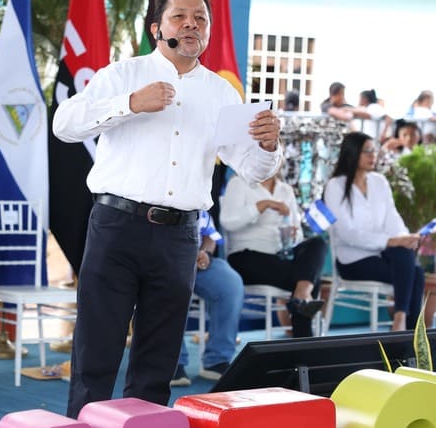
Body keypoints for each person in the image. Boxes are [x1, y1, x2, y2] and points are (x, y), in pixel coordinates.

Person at [53, 0, 282, 419]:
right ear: (157, 28)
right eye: (180, 16)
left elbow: (251, 169)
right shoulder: (123, 75)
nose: (191, 24)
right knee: (97, 347)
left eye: (200, 18)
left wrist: (268, 146)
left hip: (180, 237)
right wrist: (131, 103)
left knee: (159, 357)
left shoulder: (222, 94)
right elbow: (64, 124)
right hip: (117, 227)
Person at [324, 132, 425, 331]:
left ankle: (401, 321)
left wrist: (405, 238)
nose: (373, 155)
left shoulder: (379, 182)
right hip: (352, 261)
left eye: (374, 150)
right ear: (352, 153)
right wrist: (390, 241)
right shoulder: (335, 186)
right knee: (415, 274)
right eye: (367, 151)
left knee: (408, 258)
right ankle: (406, 330)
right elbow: (347, 233)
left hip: (382, 255)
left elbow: (392, 219)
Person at [220, 173, 328, 338]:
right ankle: (304, 336)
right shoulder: (239, 182)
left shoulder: (285, 190)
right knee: (309, 277)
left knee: (317, 244)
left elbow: (297, 233)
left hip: (279, 256)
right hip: (245, 256)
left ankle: (301, 295)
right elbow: (228, 222)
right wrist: (262, 205)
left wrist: (294, 235)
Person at [171, 212, 244, 386]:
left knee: (230, 283)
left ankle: (217, 360)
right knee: (175, 285)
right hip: (167, 260)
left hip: (197, 261)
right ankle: (172, 361)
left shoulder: (200, 201)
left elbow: (209, 235)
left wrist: (205, 253)